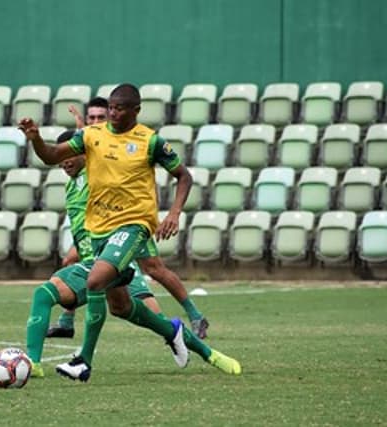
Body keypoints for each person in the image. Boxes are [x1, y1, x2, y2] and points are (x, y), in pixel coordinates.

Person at [19, 83, 241, 382]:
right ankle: (196, 345)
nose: (112, 112)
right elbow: (50, 155)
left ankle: (83, 360)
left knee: (105, 278)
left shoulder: (150, 141)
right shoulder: (91, 136)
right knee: (118, 307)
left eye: (119, 108)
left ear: (136, 110)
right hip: (99, 237)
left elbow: (183, 176)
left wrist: (173, 213)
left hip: (133, 227)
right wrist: (35, 139)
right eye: (110, 107)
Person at [47, 97, 210, 339]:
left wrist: (162, 213)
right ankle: (67, 321)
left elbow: (146, 178)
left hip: (129, 220)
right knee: (72, 261)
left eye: (100, 117)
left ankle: (188, 320)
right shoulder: (90, 146)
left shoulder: (136, 142)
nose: (97, 121)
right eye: (92, 118)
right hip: (102, 223)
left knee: (152, 270)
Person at [26, 129, 163, 378]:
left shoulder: (95, 173)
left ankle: (184, 339)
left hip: (112, 256)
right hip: (91, 260)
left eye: (70, 155)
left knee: (154, 315)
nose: (65, 161)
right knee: (45, 293)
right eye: (62, 158)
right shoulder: (70, 184)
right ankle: (36, 362)